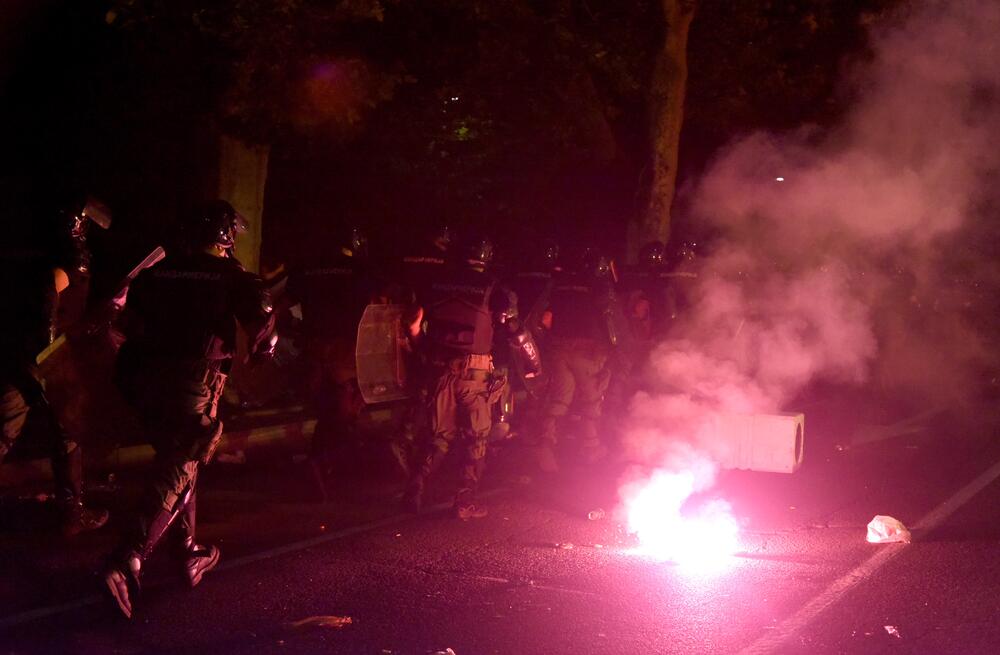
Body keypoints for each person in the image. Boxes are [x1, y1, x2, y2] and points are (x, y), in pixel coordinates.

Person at [102, 200, 276, 619]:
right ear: (225, 236)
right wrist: (261, 348)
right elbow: (264, 330)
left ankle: (186, 551)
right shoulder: (232, 277)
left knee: (178, 461)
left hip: (142, 381)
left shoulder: (155, 273)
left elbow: (122, 320)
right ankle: (129, 557)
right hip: (192, 382)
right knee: (183, 460)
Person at [403, 234, 539, 519]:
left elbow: (414, 325)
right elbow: (516, 331)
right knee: (476, 438)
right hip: (474, 376)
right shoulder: (495, 289)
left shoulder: (435, 283)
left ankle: (415, 487)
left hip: (440, 371)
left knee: (439, 437)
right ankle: (465, 502)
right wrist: (534, 364)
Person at [0, 196, 110, 536]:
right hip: (41, 360)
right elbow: (50, 310)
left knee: (5, 427)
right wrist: (51, 363)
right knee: (66, 433)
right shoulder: (61, 264)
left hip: (19, 356)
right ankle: (72, 514)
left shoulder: (30, 256)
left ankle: (71, 511)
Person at [286, 227, 381, 499]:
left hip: (314, 352)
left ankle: (321, 468)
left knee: (326, 411)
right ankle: (317, 463)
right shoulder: (360, 270)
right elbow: (379, 307)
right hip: (345, 352)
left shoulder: (306, 269)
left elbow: (280, 307)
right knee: (345, 413)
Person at [533, 248, 625, 473]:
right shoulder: (599, 285)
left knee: (559, 399)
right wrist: (615, 349)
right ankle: (591, 450)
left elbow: (543, 317)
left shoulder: (560, 282)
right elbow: (610, 321)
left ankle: (545, 446)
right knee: (592, 400)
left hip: (558, 347)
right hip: (588, 351)